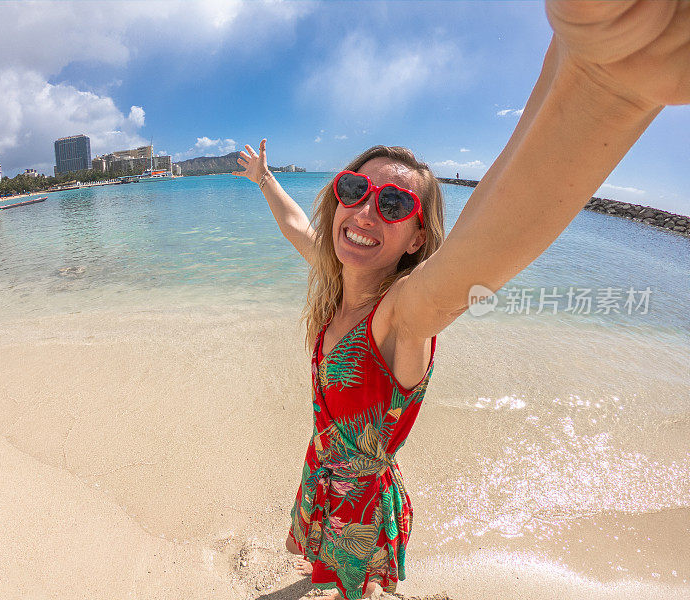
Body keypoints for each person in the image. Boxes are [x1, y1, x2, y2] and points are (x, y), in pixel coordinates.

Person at [232, 1, 689, 598]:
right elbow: (300, 229)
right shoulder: (337, 275)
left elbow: (480, 251)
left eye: (393, 205)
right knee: (318, 569)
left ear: (417, 237)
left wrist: (607, 81)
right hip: (323, 471)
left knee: (350, 589)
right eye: (354, 189)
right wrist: (267, 181)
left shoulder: (402, 314)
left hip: (361, 506)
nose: (365, 210)